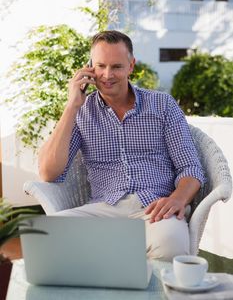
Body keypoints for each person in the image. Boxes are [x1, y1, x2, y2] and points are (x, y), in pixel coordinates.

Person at [38, 30, 206, 261]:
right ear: (90, 68)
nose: (107, 75)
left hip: (154, 210)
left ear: (131, 66)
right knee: (44, 234)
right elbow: (49, 173)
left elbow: (190, 168)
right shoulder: (81, 112)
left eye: (116, 66)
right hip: (103, 210)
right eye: (100, 66)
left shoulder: (162, 105)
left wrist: (178, 199)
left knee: (171, 244)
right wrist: (71, 107)